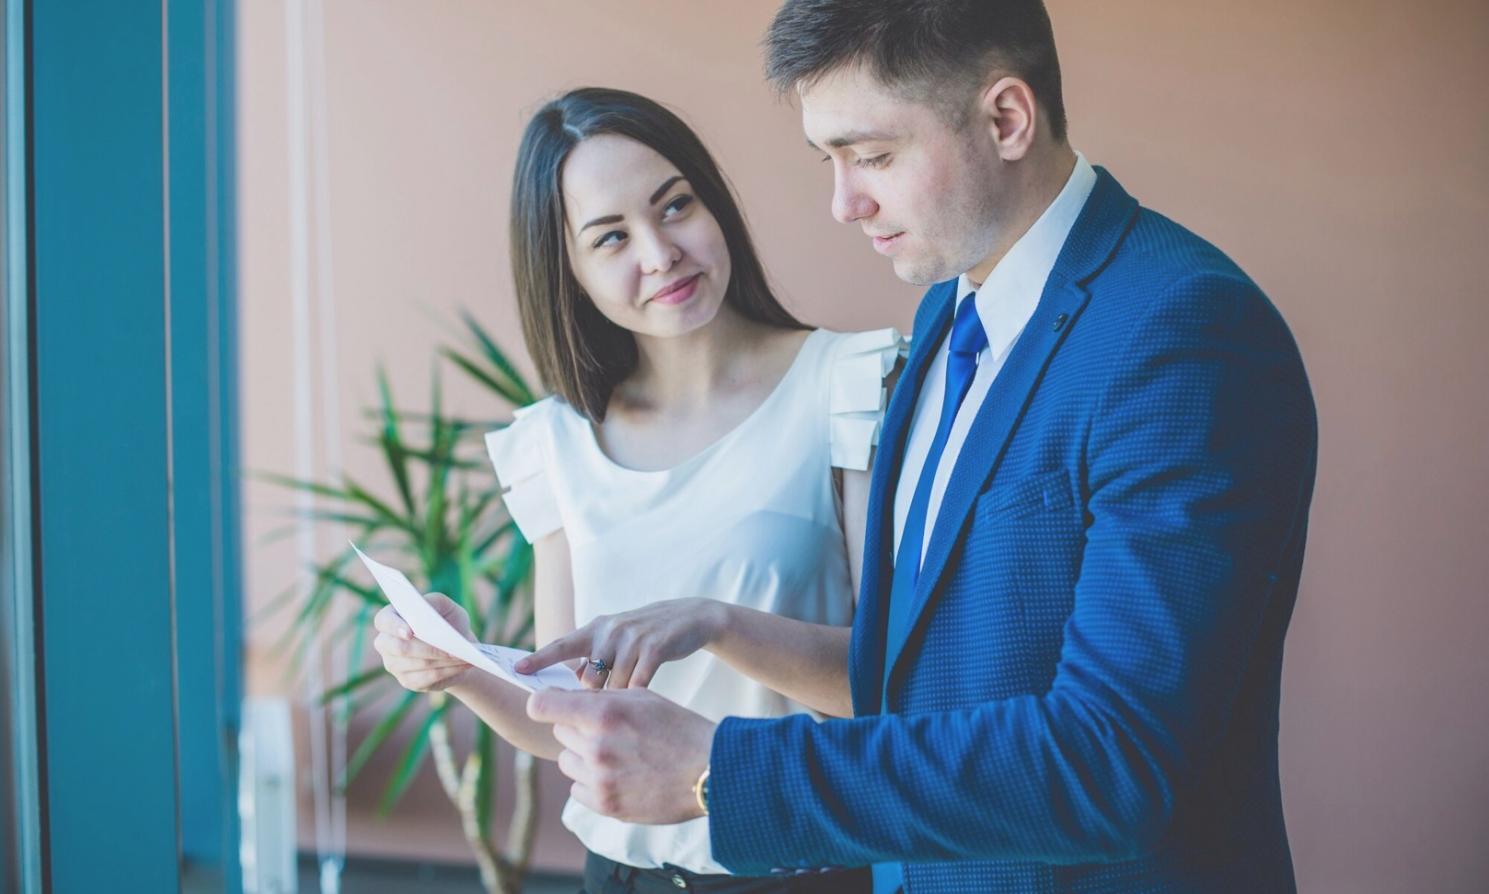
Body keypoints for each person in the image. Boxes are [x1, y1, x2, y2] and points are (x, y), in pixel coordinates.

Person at [523, 2, 1320, 892]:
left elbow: (1112, 760)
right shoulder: (946, 310)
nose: (842, 202)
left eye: (872, 156)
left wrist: (722, 772)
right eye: (828, 161)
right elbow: (910, 680)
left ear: (1006, 118)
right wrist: (720, 624)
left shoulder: (1184, 332)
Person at [372, 87, 892, 892]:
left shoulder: (845, 386)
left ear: (712, 205)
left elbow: (889, 683)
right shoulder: (557, 443)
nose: (660, 253)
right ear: (570, 272)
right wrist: (461, 667)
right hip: (618, 875)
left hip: (802, 873)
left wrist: (715, 623)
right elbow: (561, 720)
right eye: (610, 237)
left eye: (674, 206)